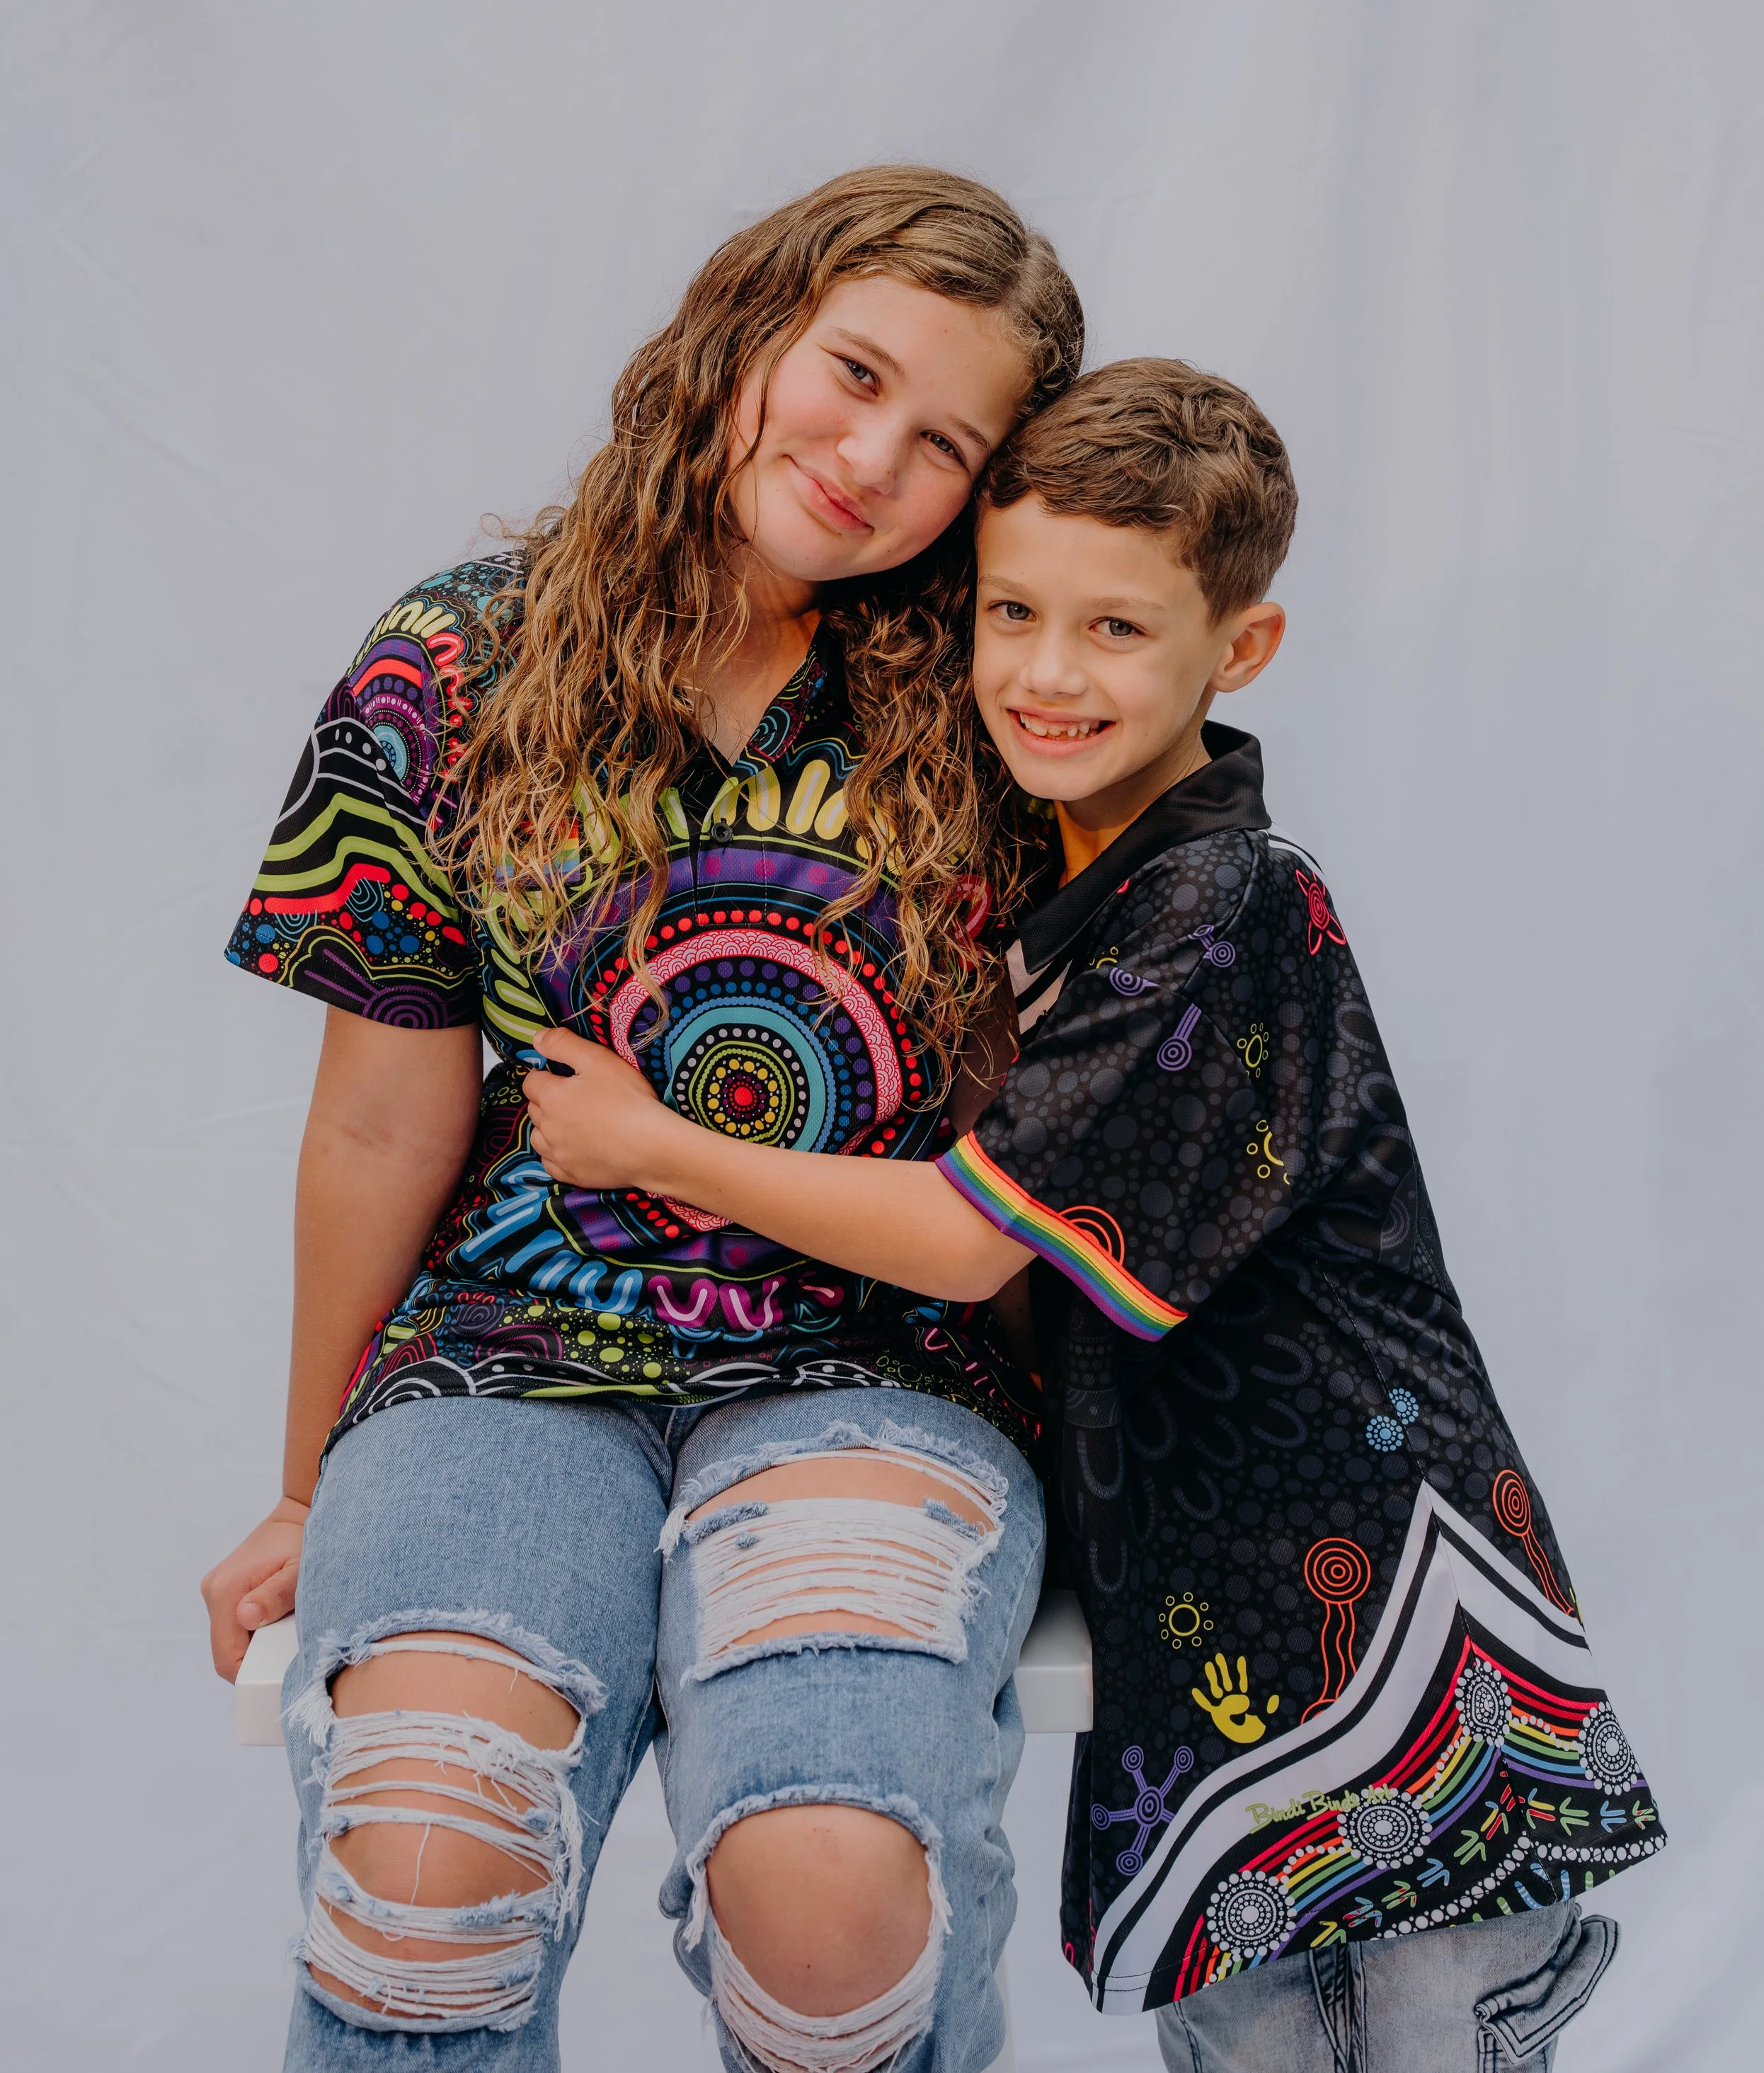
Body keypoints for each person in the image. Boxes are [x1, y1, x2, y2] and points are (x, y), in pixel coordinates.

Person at [544, 358, 1663, 2071]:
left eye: (1116, 632)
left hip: (1373, 1605)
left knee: (1426, 2040)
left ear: (1240, 650)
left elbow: (967, 1235)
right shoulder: (1068, 873)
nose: (1045, 675)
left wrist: (653, 1145)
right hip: (1212, 1613)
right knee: (1251, 2044)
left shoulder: (1218, 904)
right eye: (1012, 612)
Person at [201, 165, 1086, 2073]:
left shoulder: (1011, 706)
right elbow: (375, 1128)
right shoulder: (451, 662)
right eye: (850, 372)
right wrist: (303, 1478)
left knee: (832, 1909)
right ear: (746, 323)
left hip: (886, 1362)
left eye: (944, 443)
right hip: (505, 1363)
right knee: (422, 1867)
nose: (869, 458)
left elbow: (1049, 1162)